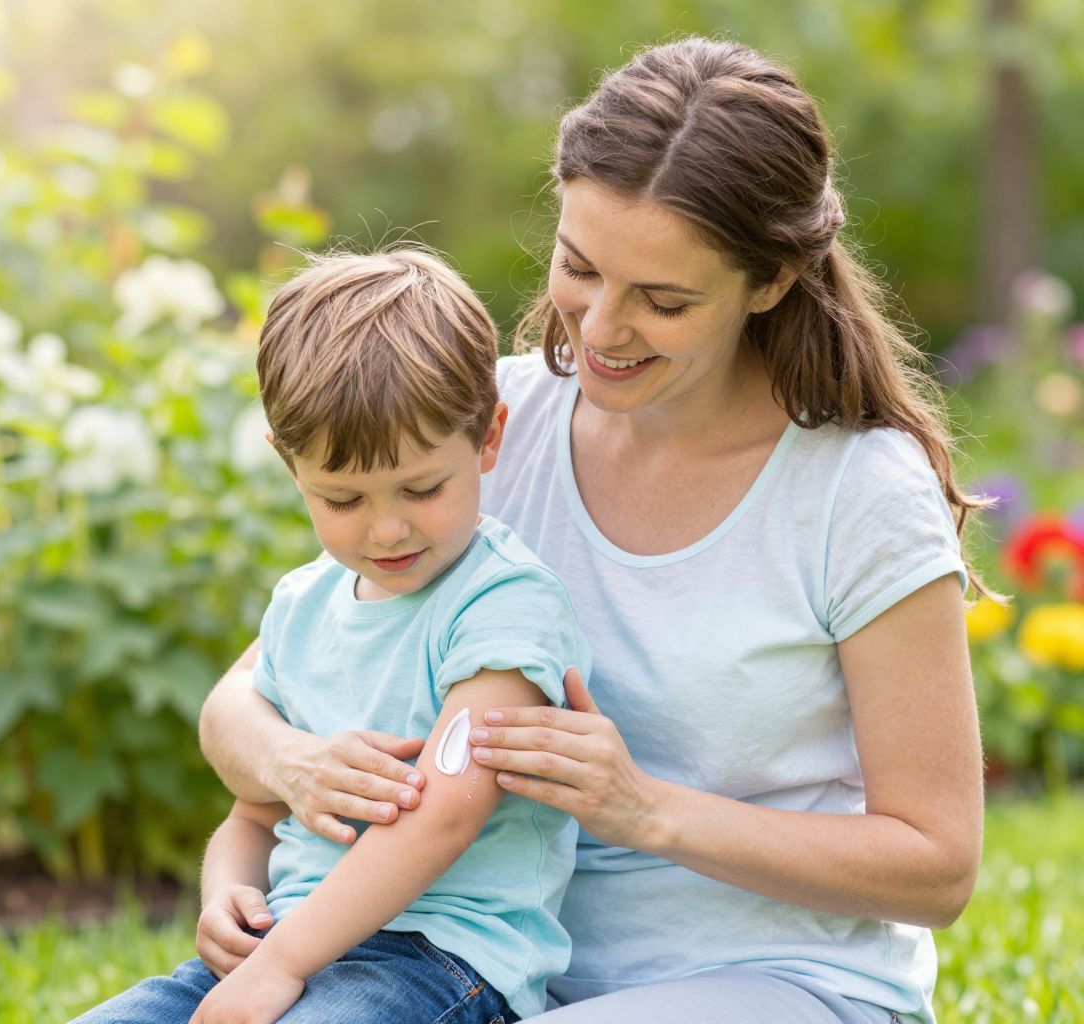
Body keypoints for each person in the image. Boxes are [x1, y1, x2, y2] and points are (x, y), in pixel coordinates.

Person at [195, 36, 985, 1024]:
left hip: (785, 984)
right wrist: (289, 764)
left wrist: (645, 809)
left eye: (664, 300)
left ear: (772, 281)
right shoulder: (493, 425)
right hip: (490, 981)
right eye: (579, 267)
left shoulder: (856, 492)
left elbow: (937, 865)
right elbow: (248, 693)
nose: (601, 328)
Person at [73, 249, 593, 1024]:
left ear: (488, 438)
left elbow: (444, 819)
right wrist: (229, 898)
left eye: (422, 487)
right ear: (291, 468)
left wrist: (284, 963)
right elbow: (256, 812)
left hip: (438, 963)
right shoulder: (302, 606)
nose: (387, 529)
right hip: (285, 944)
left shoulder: (505, 603)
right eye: (343, 499)